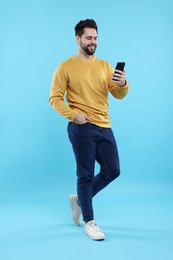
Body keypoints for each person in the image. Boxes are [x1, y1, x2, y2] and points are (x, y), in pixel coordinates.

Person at [49, 19, 129, 240]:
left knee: (112, 170)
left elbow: (118, 94)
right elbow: (54, 99)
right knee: (85, 174)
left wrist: (122, 84)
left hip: (105, 125)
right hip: (81, 127)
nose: (93, 42)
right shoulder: (65, 67)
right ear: (78, 39)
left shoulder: (104, 65)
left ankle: (79, 200)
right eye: (88, 38)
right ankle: (89, 221)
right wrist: (74, 115)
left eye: (95, 38)